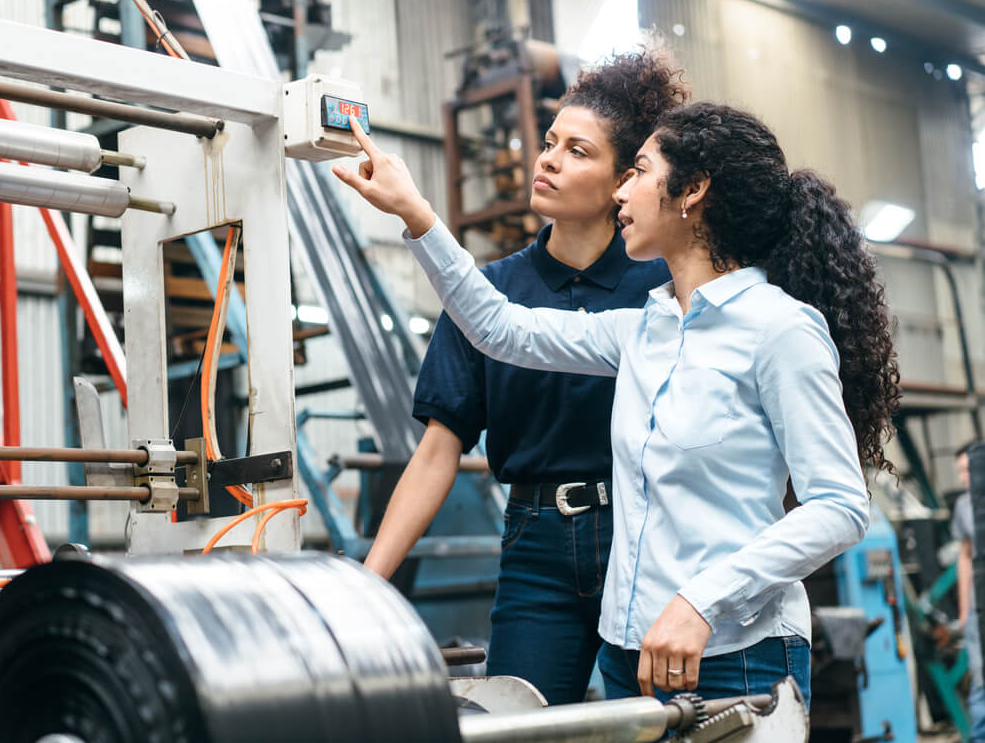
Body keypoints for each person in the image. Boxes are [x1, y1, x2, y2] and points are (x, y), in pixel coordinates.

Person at [333, 101, 900, 701]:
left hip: (735, 650)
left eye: (640, 170)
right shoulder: (642, 330)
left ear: (693, 191)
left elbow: (840, 505)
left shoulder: (780, 328)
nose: (623, 190)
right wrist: (416, 215)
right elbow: (497, 326)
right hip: (632, 654)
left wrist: (700, 602)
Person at [363, 48, 686, 705]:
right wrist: (366, 582)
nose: (546, 160)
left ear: (624, 179)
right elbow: (435, 453)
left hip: (648, 534)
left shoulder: (662, 287)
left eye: (576, 151)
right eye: (547, 143)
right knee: (520, 722)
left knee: (659, 723)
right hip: (536, 546)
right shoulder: (486, 293)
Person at [953, 441, 985, 740]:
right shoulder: (964, 507)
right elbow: (964, 555)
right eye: (961, 471)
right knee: (980, 681)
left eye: (968, 470)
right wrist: (964, 610)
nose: (964, 477)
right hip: (978, 609)